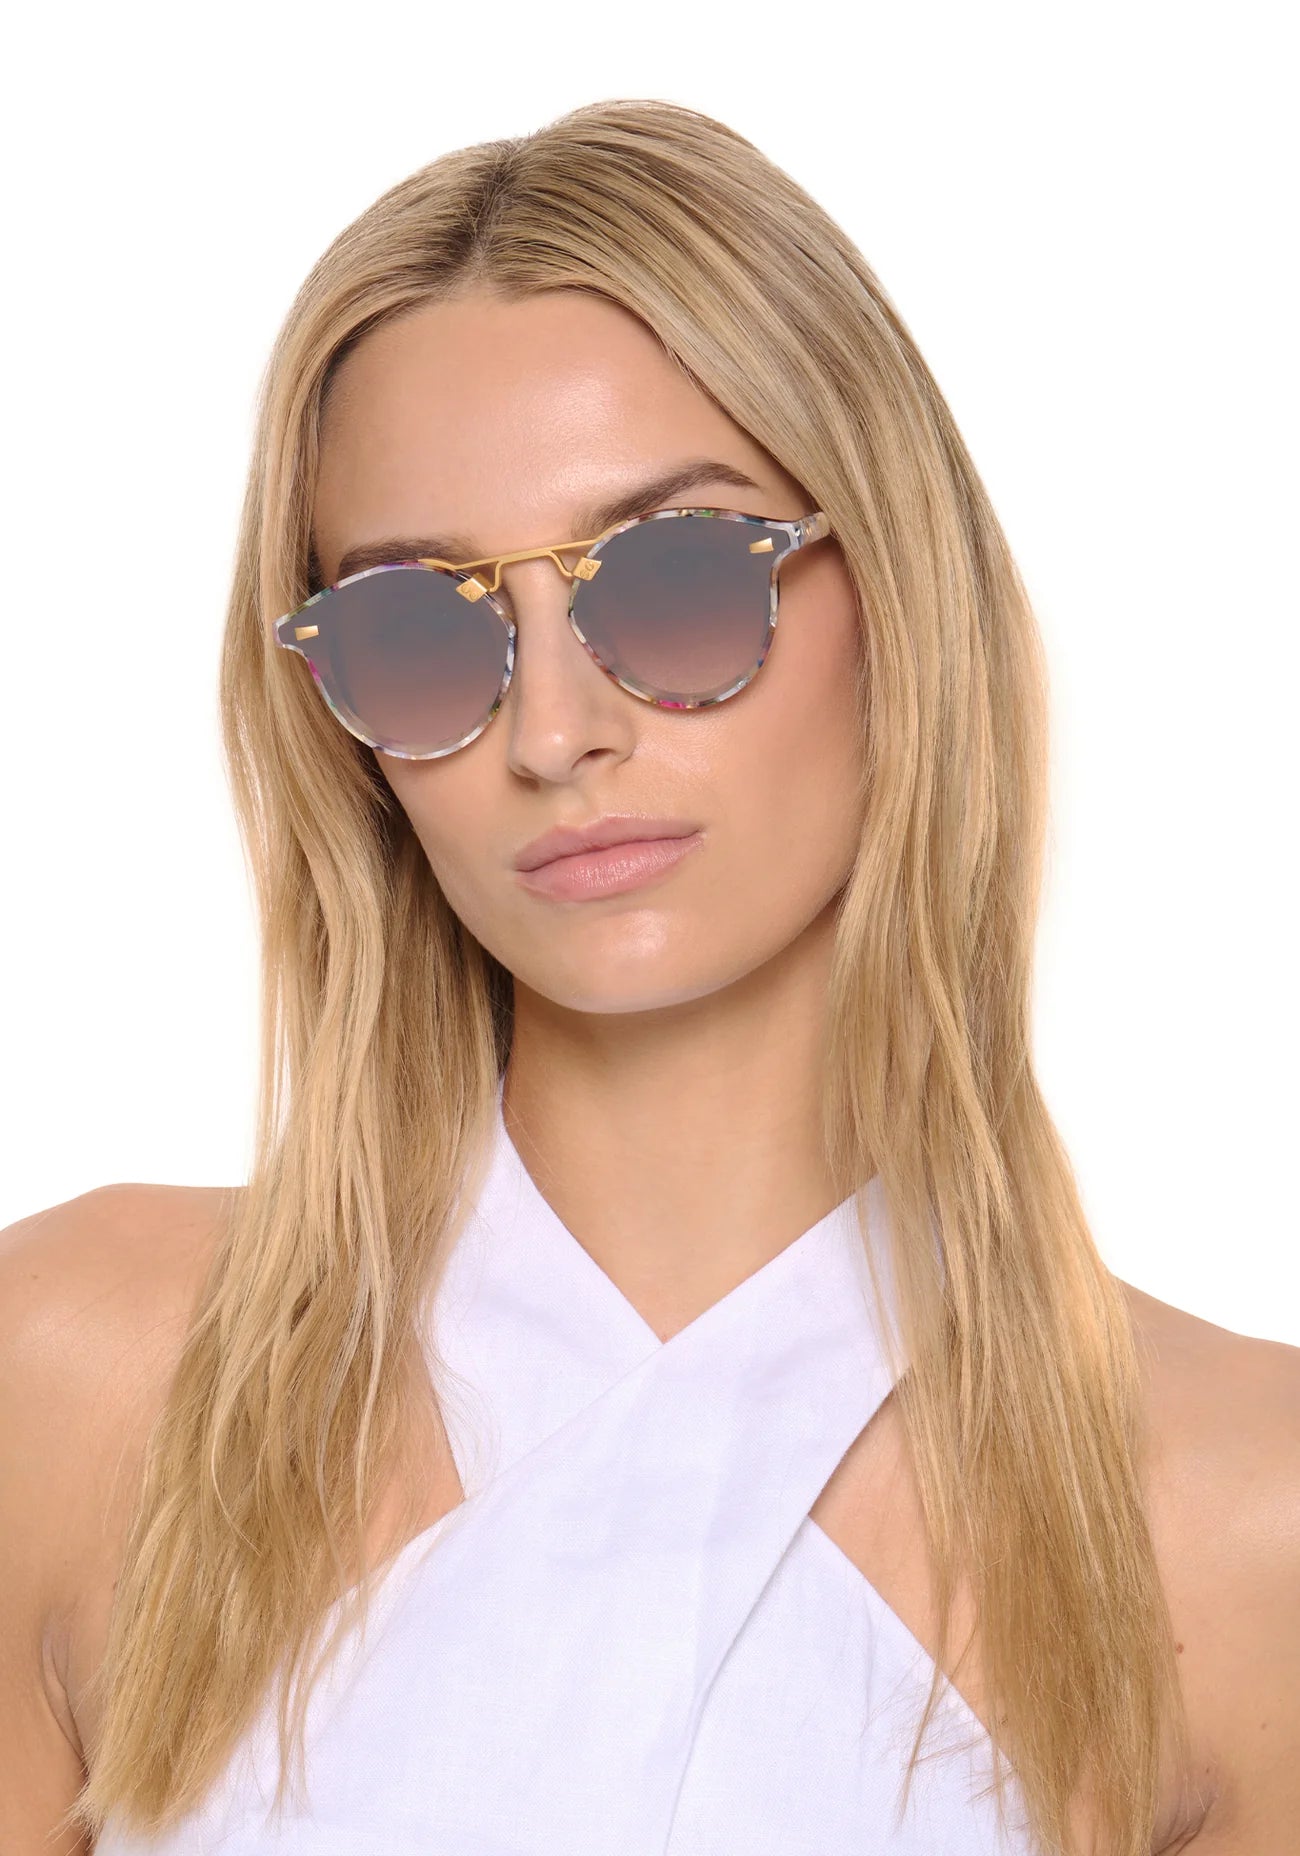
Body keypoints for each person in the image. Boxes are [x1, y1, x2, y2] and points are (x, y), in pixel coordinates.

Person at [1, 97, 1296, 1856]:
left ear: (899, 593)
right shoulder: (73, 1383)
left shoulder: (1248, 1533)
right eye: (416, 628)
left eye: (675, 580)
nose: (554, 731)